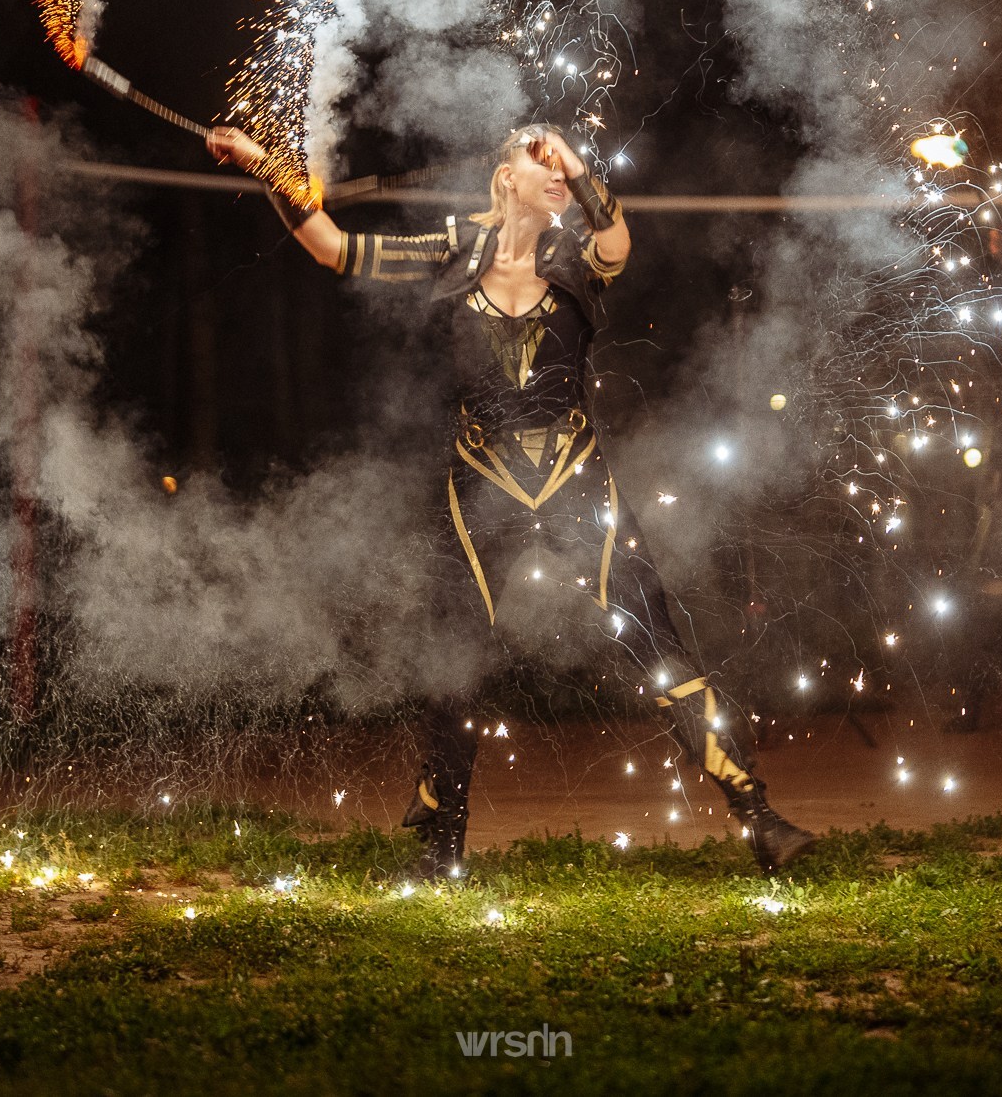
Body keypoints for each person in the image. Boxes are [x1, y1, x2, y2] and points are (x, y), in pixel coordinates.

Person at [205, 120, 818, 879]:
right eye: (541, 158)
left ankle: (758, 815)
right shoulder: (452, 248)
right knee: (455, 655)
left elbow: (618, 239)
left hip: (577, 477)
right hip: (481, 480)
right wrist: (268, 165)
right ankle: (441, 851)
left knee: (658, 644)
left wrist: (577, 159)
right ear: (504, 178)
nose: (559, 170)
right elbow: (334, 248)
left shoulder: (578, 252)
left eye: (566, 163)